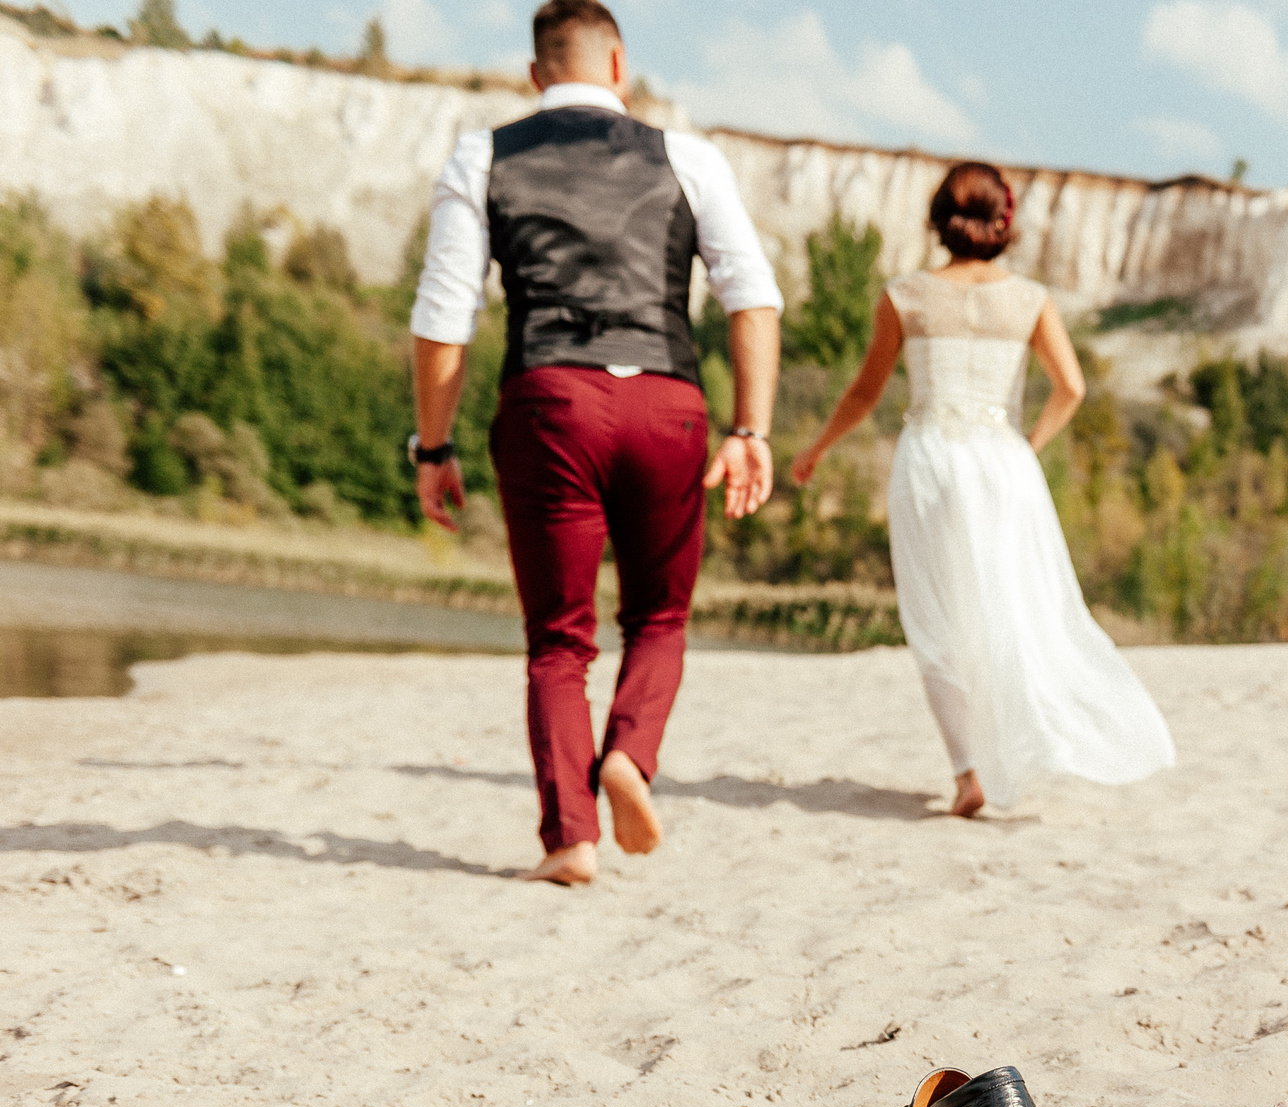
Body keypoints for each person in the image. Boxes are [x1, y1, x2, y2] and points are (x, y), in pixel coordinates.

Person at [407, 0, 782, 885]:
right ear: (619, 68)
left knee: (558, 641)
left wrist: (433, 447)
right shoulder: (687, 156)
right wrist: (750, 430)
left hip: (550, 401)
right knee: (659, 615)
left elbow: (441, 322)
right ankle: (630, 753)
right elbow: (752, 295)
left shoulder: (485, 152)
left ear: (538, 75)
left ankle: (570, 837)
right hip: (667, 403)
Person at [790, 163, 1174, 818]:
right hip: (1003, 464)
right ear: (1005, 220)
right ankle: (1016, 749)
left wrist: (817, 448)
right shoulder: (1030, 300)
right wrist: (1026, 446)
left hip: (932, 458)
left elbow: (864, 392)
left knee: (935, 612)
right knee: (1018, 608)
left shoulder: (905, 295)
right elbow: (1072, 388)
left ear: (940, 219)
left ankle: (969, 770)